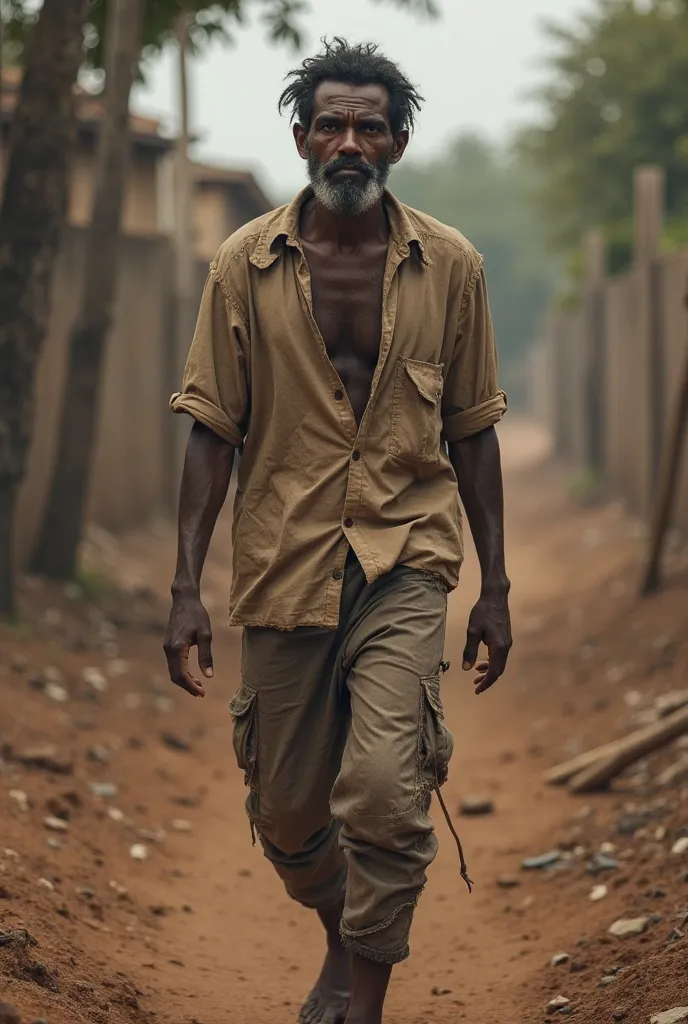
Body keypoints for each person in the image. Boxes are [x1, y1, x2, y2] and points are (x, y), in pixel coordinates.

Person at [164, 37, 512, 1024]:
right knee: (287, 808)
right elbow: (210, 427)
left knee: (384, 791)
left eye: (369, 125)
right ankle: (335, 929)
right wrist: (185, 585)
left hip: (406, 557)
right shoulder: (244, 263)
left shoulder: (451, 265)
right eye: (331, 123)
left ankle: (363, 1001)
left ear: (397, 142)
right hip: (284, 561)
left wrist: (495, 585)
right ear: (300, 136)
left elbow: (476, 428)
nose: (348, 141)